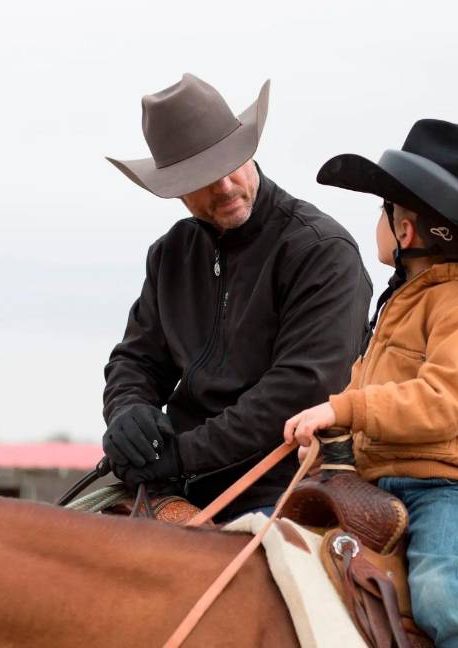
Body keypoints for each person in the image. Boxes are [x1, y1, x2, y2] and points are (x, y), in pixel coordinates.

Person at [283, 119, 458, 647]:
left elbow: (445, 402)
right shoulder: (411, 300)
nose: (380, 223)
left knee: (444, 599)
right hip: (385, 477)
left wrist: (345, 410)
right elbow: (373, 384)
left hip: (451, 489)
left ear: (406, 231)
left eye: (384, 212)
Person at [101, 74, 372, 521]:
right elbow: (137, 360)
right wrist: (127, 413)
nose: (225, 186)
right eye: (203, 178)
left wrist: (181, 455)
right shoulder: (171, 253)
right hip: (174, 479)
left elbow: (298, 389)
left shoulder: (321, 251)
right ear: (174, 188)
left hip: (283, 485)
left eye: (232, 163)